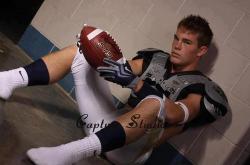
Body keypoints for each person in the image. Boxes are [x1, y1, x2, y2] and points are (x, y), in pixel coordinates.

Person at [0, 15, 229, 165]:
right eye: (176, 38)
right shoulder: (156, 59)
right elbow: (116, 69)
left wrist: (135, 83)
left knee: (156, 103)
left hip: (128, 150)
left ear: (201, 51)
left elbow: (175, 114)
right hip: (104, 126)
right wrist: (92, 53)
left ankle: (67, 154)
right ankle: (7, 80)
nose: (177, 46)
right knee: (78, 53)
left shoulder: (199, 87)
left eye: (187, 42)